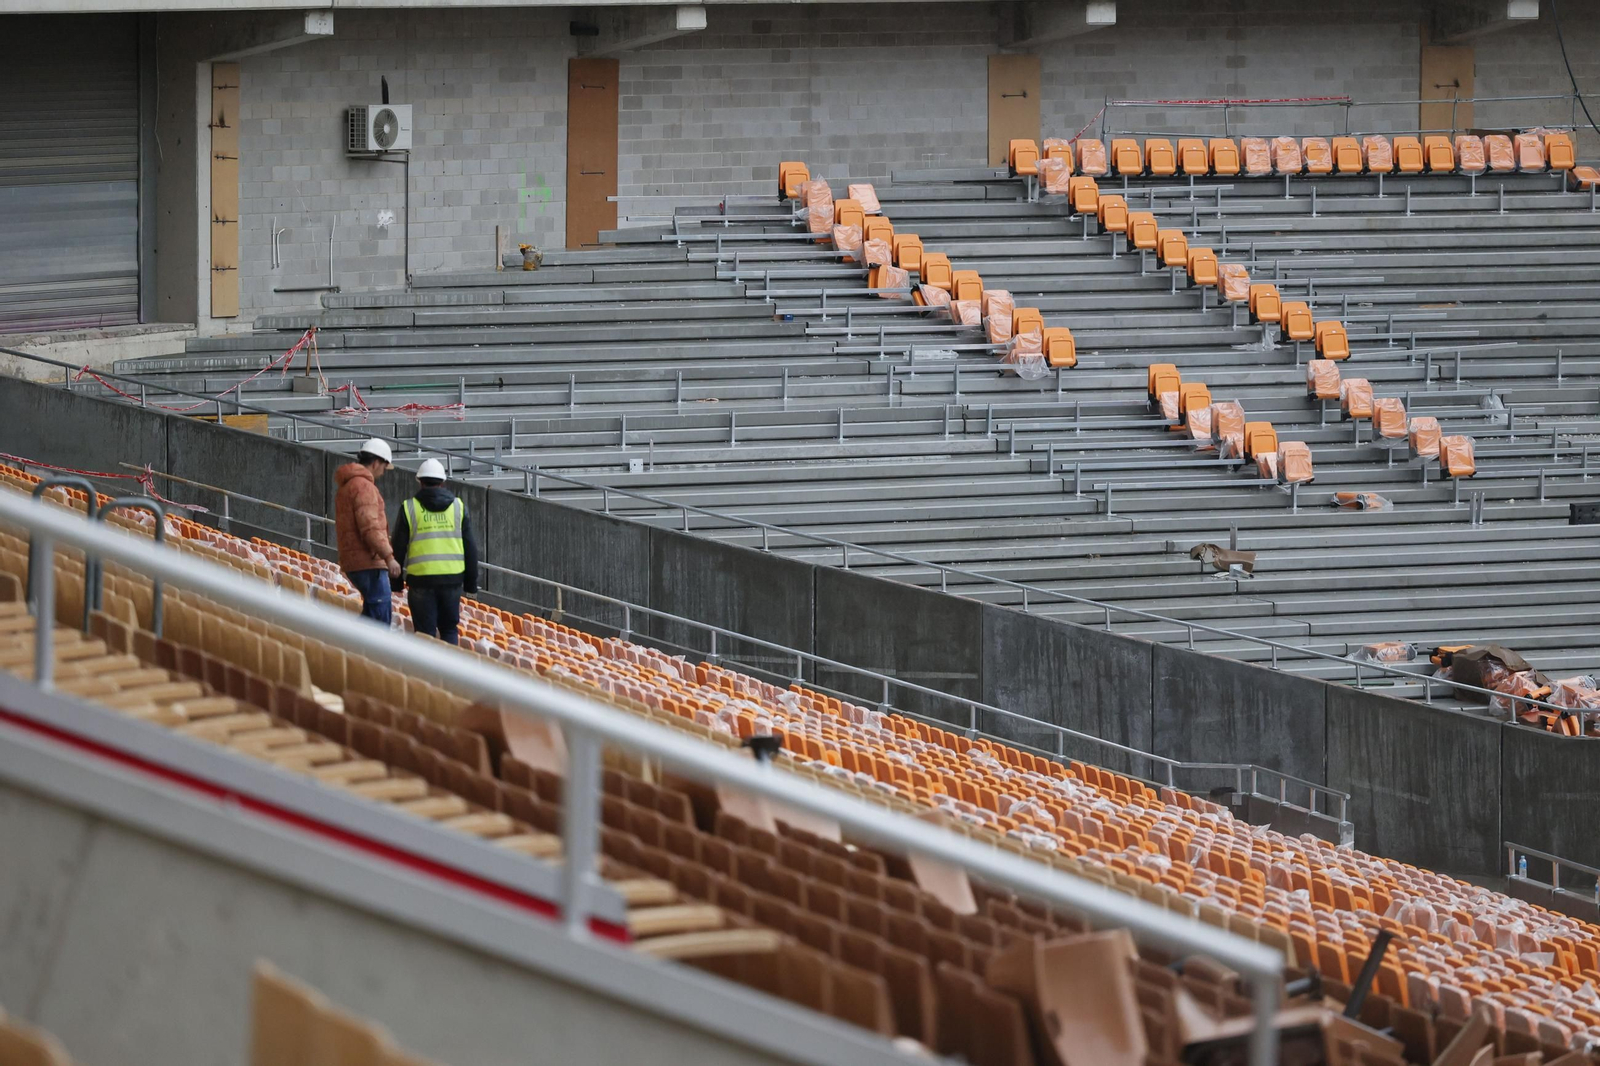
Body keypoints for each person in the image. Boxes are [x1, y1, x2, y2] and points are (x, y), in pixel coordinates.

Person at [391, 457, 479, 645]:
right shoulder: (458, 507)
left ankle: (426, 674)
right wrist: (471, 586)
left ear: (420, 482)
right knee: (449, 630)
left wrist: (396, 583)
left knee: (424, 636)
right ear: (443, 482)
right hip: (451, 581)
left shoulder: (409, 508)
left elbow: (398, 548)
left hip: (421, 582)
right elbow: (470, 548)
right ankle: (450, 673)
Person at [334, 438, 401, 625]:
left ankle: (352, 647)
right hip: (368, 562)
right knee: (380, 616)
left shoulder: (347, 486)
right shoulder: (364, 487)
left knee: (373, 613)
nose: (382, 472)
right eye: (383, 467)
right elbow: (370, 527)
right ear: (376, 462)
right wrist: (388, 557)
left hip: (353, 559)